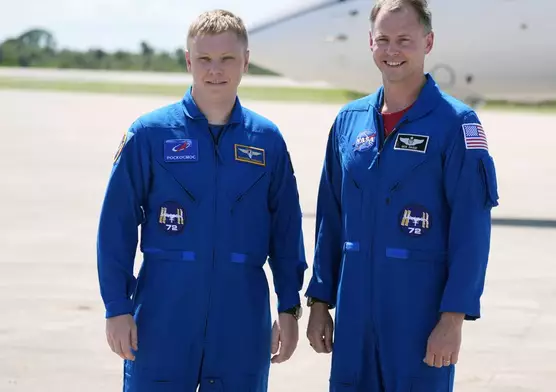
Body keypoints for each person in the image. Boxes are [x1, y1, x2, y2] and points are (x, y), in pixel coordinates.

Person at [96, 9, 307, 392]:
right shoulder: (149, 134)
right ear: (189, 60)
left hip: (241, 320)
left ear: (245, 61)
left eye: (227, 59)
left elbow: (286, 231)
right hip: (162, 315)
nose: (215, 70)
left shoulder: (267, 140)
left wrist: (289, 307)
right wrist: (117, 307)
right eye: (205, 59)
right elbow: (116, 227)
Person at [304, 0, 500, 390]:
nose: (392, 51)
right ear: (370, 43)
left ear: (428, 42)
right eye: (384, 40)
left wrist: (453, 318)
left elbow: (471, 229)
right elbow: (331, 217)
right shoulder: (349, 121)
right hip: (354, 314)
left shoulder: (456, 123)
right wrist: (321, 302)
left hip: (419, 316)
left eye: (404, 40)